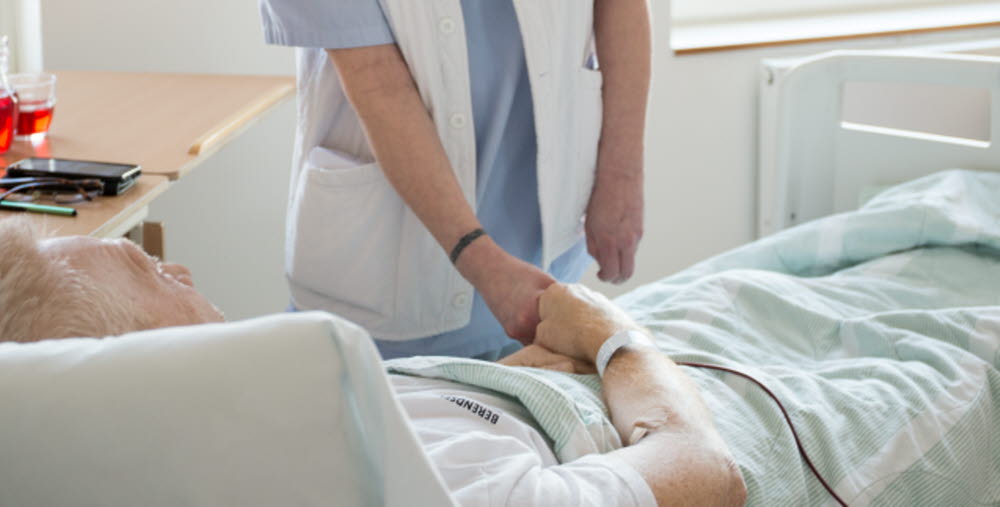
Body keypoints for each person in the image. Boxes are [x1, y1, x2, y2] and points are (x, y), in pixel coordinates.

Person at [0, 218, 744, 506]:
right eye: (150, 270)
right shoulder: (449, 486)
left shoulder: (303, 415)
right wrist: (616, 337)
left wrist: (544, 364)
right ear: (140, 366)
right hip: (693, 388)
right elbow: (707, 475)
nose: (183, 270)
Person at [256, 0, 650, 359]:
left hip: (544, 234)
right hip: (392, 271)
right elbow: (376, 80)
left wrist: (622, 174)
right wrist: (483, 264)